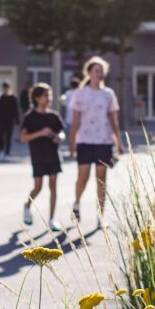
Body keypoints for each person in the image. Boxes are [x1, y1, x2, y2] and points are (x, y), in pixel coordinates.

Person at [67, 56, 121, 223]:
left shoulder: (108, 94)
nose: (100, 74)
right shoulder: (80, 94)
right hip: (84, 141)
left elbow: (113, 120)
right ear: (89, 73)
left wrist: (119, 142)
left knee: (101, 178)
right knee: (83, 176)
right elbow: (75, 121)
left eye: (102, 71)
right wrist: (72, 144)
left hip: (103, 141)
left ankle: (100, 215)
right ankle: (76, 203)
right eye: (97, 71)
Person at [19, 83, 64, 226]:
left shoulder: (54, 115)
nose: (49, 98)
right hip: (38, 155)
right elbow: (23, 137)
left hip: (53, 155)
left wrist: (59, 137)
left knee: (53, 187)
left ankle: (51, 219)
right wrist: (41, 133)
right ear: (37, 98)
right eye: (46, 95)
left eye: (49, 95)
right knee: (38, 187)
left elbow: (62, 132)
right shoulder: (30, 117)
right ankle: (27, 206)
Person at [0, 81, 21, 160]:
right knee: (0, 136)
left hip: (10, 120)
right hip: (0, 120)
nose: (5, 90)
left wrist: (17, 120)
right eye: (4, 88)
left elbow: (16, 110)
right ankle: (1, 151)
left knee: (8, 137)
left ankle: (7, 152)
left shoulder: (13, 98)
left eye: (7, 88)